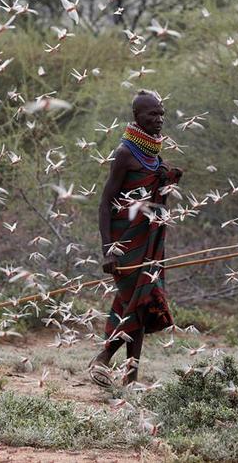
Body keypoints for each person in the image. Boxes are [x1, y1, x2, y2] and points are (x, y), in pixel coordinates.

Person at [88, 89, 183, 387]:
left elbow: (153, 193)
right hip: (125, 243)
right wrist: (109, 251)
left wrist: (167, 178)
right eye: (152, 114)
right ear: (136, 117)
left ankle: (131, 378)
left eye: (161, 114)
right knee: (138, 300)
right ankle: (102, 358)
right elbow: (105, 203)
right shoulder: (125, 153)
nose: (159, 120)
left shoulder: (153, 153)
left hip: (149, 241)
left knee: (141, 304)